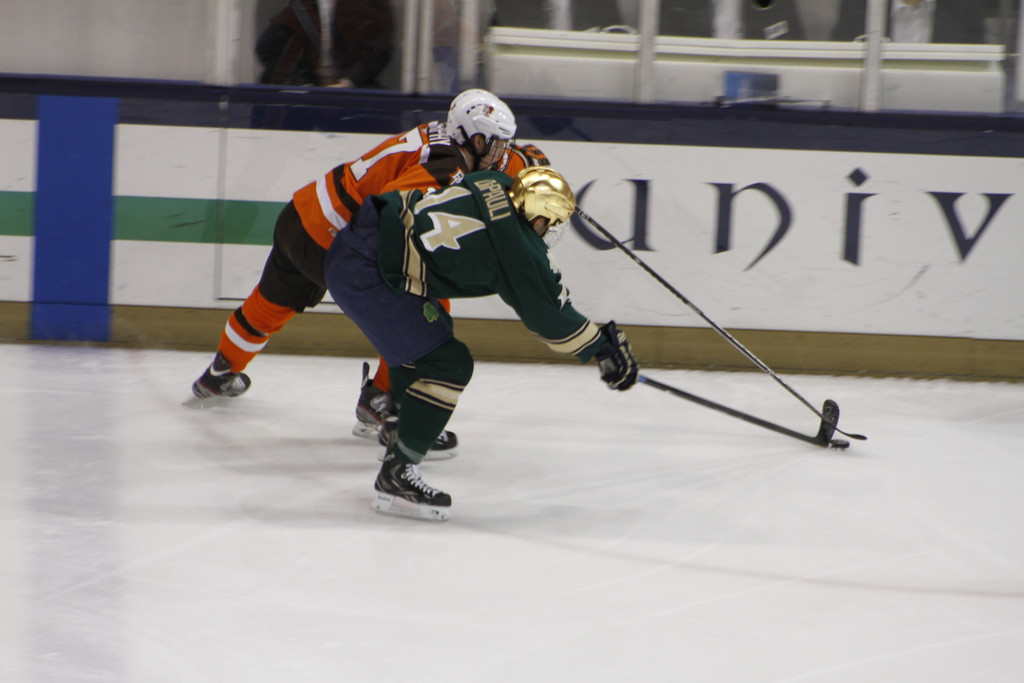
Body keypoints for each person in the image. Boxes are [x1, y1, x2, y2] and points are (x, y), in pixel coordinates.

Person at [190, 89, 546, 456]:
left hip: (302, 214)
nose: (503, 153)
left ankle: (220, 371)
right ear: (474, 137)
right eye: (498, 145)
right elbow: (386, 213)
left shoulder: (440, 136)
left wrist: (524, 165)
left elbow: (477, 170)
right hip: (333, 242)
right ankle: (384, 401)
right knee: (427, 310)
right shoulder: (443, 167)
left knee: (271, 300)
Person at [324, 167, 640, 521]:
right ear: (538, 218)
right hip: (369, 272)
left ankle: (401, 422)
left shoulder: (494, 181)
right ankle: (397, 473)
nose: (549, 231)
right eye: (550, 223)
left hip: (364, 242)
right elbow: (548, 317)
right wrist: (602, 349)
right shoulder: (517, 249)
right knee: (449, 363)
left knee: (430, 334)